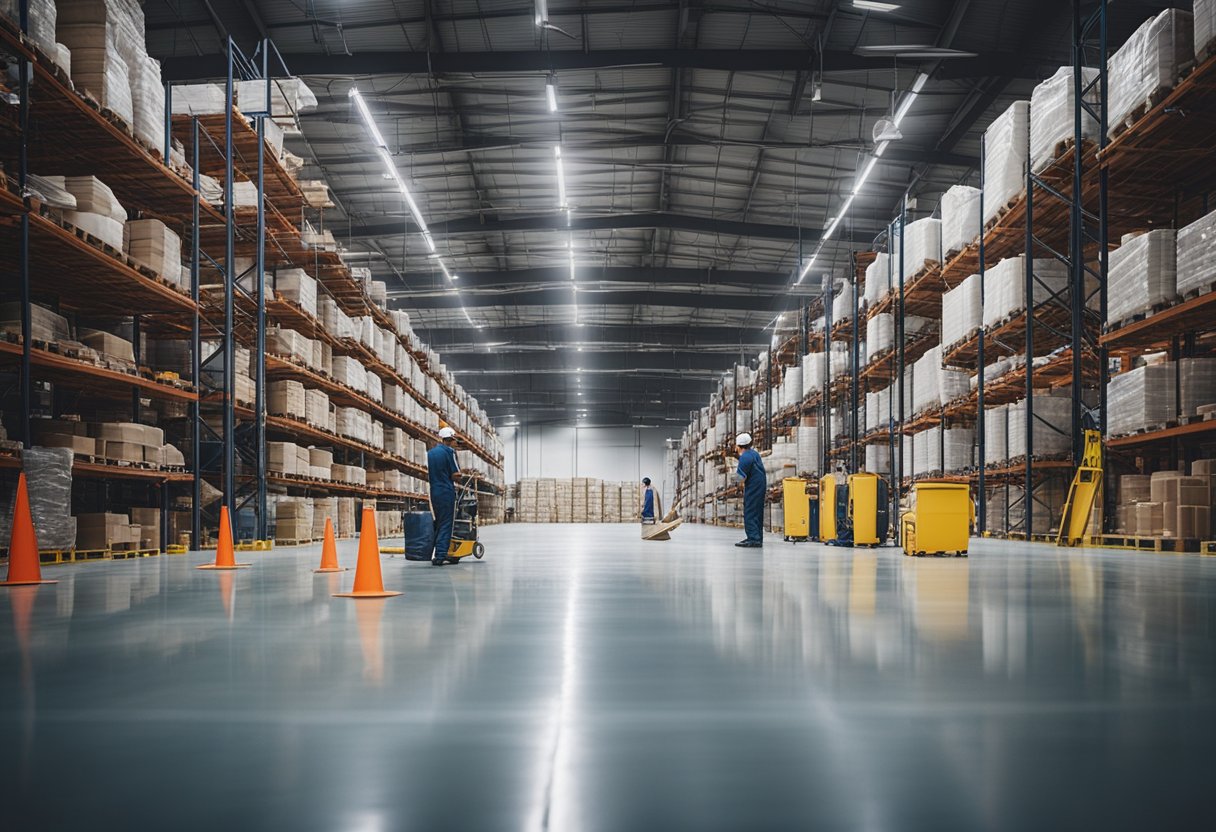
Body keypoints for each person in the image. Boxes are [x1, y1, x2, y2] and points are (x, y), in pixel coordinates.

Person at [427, 426, 461, 565]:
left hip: (434, 491)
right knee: (447, 523)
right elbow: (456, 474)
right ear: (450, 439)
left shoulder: (430, 453)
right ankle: (441, 555)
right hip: (446, 491)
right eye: (455, 441)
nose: (456, 444)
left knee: (439, 522)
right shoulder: (449, 452)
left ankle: (434, 551)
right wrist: (460, 478)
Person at [734, 432, 766, 548]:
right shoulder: (754, 454)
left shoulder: (745, 457)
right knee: (757, 512)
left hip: (753, 488)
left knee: (750, 511)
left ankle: (753, 539)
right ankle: (757, 537)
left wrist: (733, 479)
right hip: (760, 486)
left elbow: (740, 478)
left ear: (738, 446)